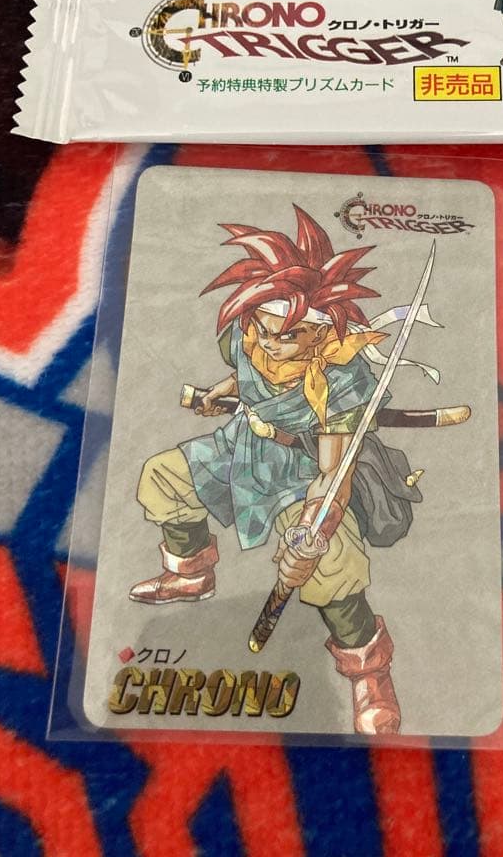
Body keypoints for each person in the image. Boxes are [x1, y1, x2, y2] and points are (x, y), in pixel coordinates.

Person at [127, 207, 425, 734]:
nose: (268, 343)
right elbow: (247, 374)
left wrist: (311, 532)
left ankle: (370, 675)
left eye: (286, 335)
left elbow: (334, 471)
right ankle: (190, 574)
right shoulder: (247, 335)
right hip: (240, 448)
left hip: (303, 473)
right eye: (262, 329)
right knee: (163, 477)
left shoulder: (340, 378)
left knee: (332, 567)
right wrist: (222, 392)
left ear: (321, 334)